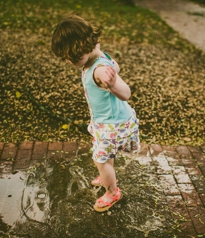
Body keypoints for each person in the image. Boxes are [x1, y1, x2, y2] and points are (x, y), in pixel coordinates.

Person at [51, 15, 141, 212]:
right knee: (103, 153)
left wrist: (112, 84)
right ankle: (107, 174)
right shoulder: (100, 55)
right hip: (109, 121)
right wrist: (113, 70)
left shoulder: (98, 71)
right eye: (66, 57)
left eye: (72, 57)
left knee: (98, 158)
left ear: (85, 47)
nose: (68, 61)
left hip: (113, 124)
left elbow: (126, 93)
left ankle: (112, 192)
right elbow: (114, 65)